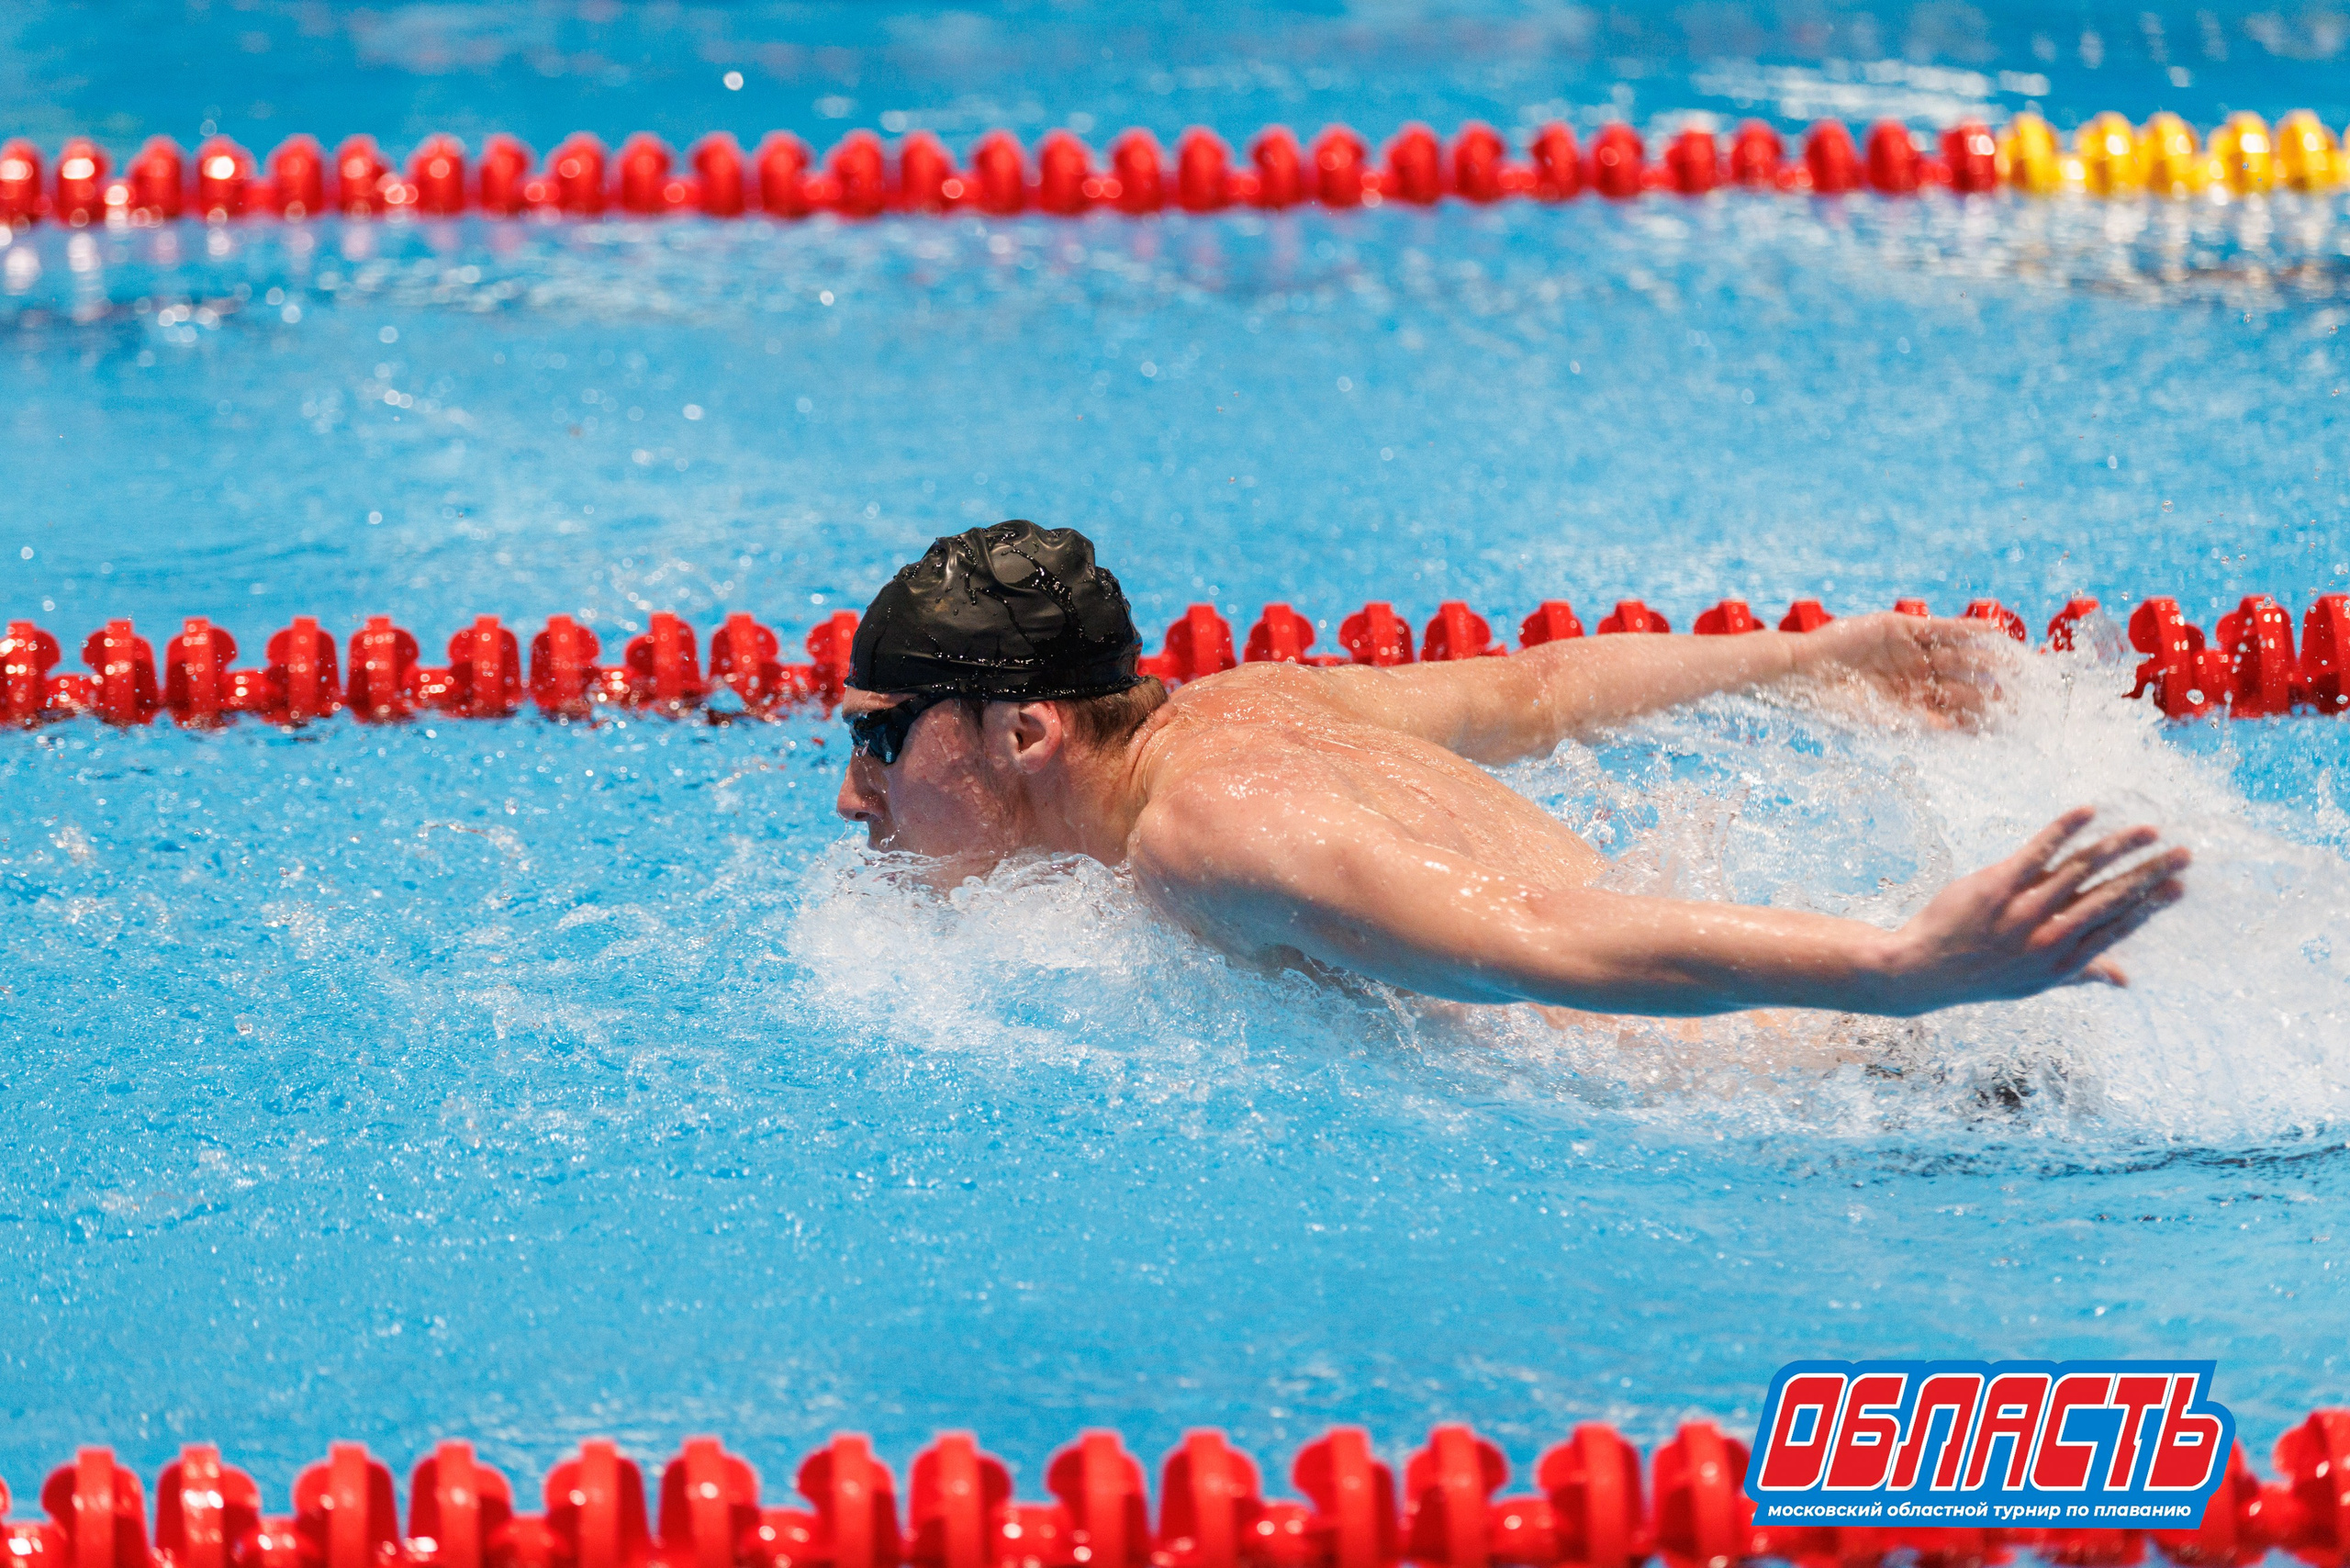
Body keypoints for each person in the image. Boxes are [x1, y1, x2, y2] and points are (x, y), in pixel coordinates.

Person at [834, 520, 2189, 1019]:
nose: (855, 792)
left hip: (1843, 1097)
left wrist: (1900, 970)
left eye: (882, 737)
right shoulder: (1248, 707)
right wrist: (1813, 657)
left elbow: (1543, 940)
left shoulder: (1212, 833)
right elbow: (1544, 689)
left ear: (1026, 731)